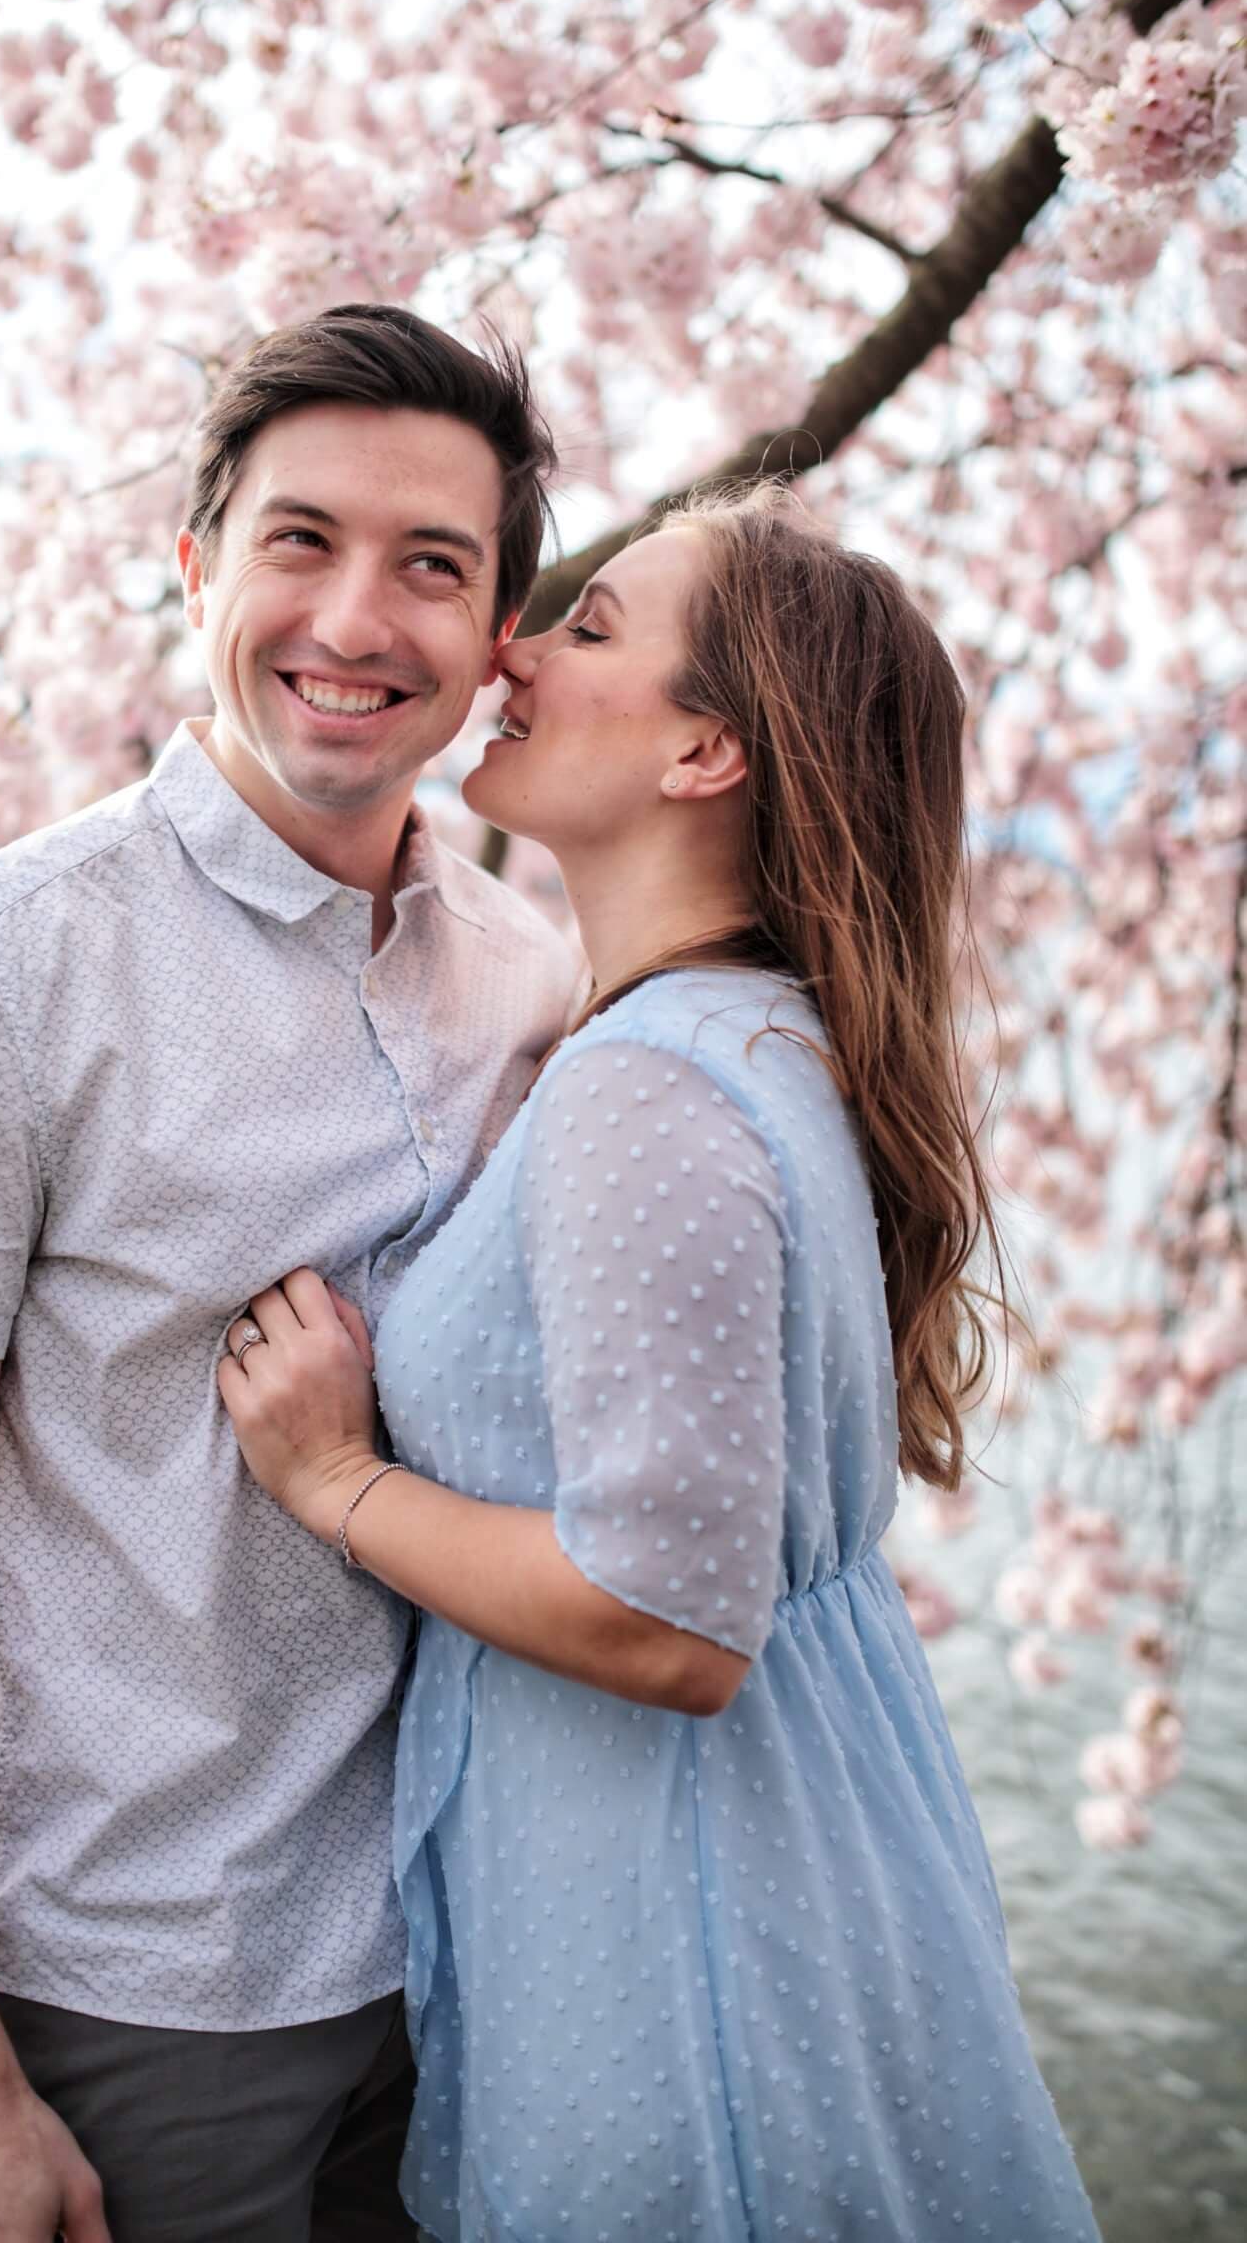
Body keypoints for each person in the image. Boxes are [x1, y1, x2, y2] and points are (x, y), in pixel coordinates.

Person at [0, 305, 579, 2243]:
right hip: (139, 1987)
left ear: (495, 635)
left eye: (430, 565)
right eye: (299, 540)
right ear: (196, 562)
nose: (356, 619)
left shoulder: (525, 971)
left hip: (473, 1941)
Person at [218, 485, 1104, 2243]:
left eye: (595, 627)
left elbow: (667, 1620)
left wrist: (338, 1484)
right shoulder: (739, 1038)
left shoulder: (656, 1086)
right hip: (766, 1851)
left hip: (678, 1912)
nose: (520, 647)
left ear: (708, 753)